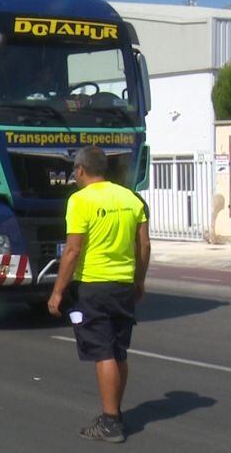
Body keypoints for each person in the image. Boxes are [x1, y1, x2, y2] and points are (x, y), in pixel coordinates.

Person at [47, 145, 150, 444]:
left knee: (103, 351)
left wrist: (57, 291)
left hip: (93, 286)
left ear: (80, 170)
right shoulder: (130, 198)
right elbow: (143, 245)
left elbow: (73, 250)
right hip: (123, 285)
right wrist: (139, 280)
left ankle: (109, 422)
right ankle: (114, 411)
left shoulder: (80, 201)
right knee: (119, 350)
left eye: (74, 171)